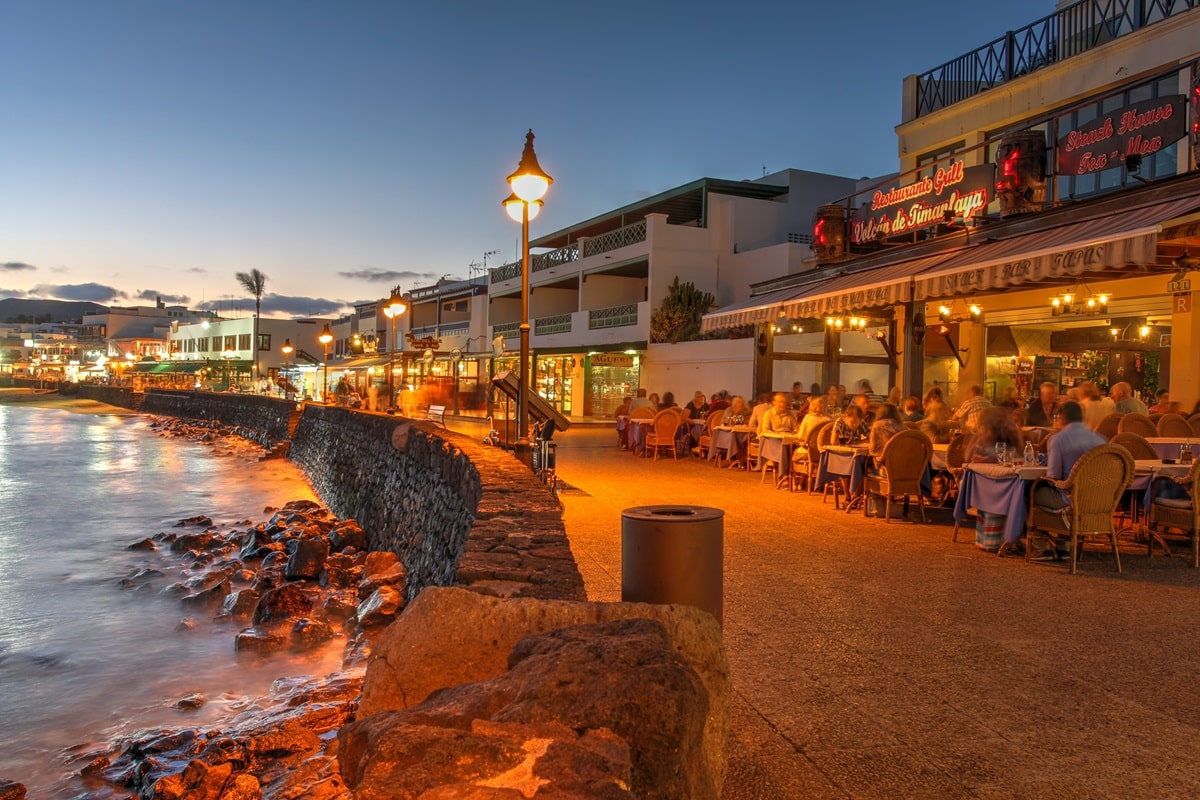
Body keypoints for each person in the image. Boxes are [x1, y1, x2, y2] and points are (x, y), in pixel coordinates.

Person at [1034, 400, 1106, 511]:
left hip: (1071, 499)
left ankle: (1038, 527)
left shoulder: (1058, 439)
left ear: (1063, 417)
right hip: (1101, 499)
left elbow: (1053, 477)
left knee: (1030, 493)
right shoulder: (1100, 439)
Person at [867, 403, 906, 468]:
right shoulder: (904, 428)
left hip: (886, 466)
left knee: (863, 462)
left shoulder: (877, 426)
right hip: (904, 465)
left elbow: (873, 450)